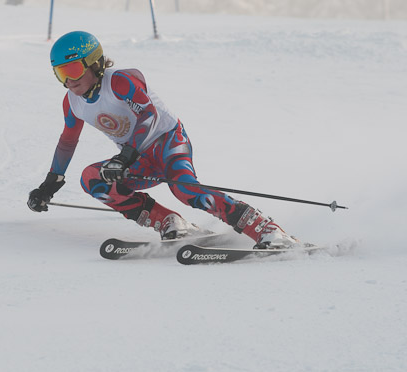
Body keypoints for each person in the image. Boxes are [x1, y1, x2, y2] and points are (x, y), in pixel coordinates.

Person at [27, 31, 298, 248]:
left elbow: (148, 115)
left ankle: (267, 230)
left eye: (73, 69)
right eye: (61, 73)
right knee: (92, 179)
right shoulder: (72, 102)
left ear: (95, 63)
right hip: (138, 156)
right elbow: (67, 142)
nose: (69, 80)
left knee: (186, 190)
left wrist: (126, 156)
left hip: (168, 141)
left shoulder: (119, 82)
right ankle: (169, 222)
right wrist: (51, 184)